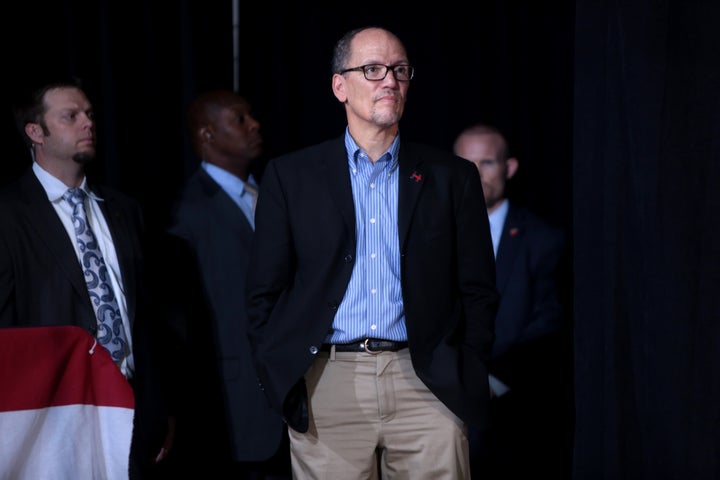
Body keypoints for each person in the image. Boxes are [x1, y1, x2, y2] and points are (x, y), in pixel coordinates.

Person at [245, 26, 499, 480]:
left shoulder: (452, 177)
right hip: (327, 379)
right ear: (339, 85)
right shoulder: (291, 177)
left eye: (400, 71)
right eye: (373, 69)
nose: (390, 82)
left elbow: (478, 288)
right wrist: (283, 376)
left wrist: (467, 365)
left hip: (428, 382)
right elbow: (265, 291)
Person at [0, 77, 173, 478]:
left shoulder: (124, 210)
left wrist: (160, 406)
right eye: (71, 116)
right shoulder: (8, 213)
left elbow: (147, 315)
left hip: (130, 408)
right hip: (50, 417)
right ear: (35, 132)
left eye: (90, 114)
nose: (88, 123)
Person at [159, 89, 290, 479]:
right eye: (239, 119)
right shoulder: (189, 213)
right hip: (235, 405)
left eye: (251, 115)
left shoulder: (274, 194)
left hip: (294, 397)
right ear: (207, 135)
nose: (254, 125)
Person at [453, 123, 571, 478]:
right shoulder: (428, 233)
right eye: (465, 163)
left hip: (511, 413)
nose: (475, 174)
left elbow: (550, 323)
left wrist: (492, 382)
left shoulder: (543, 240)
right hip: (432, 403)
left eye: (486, 162)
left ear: (510, 168)